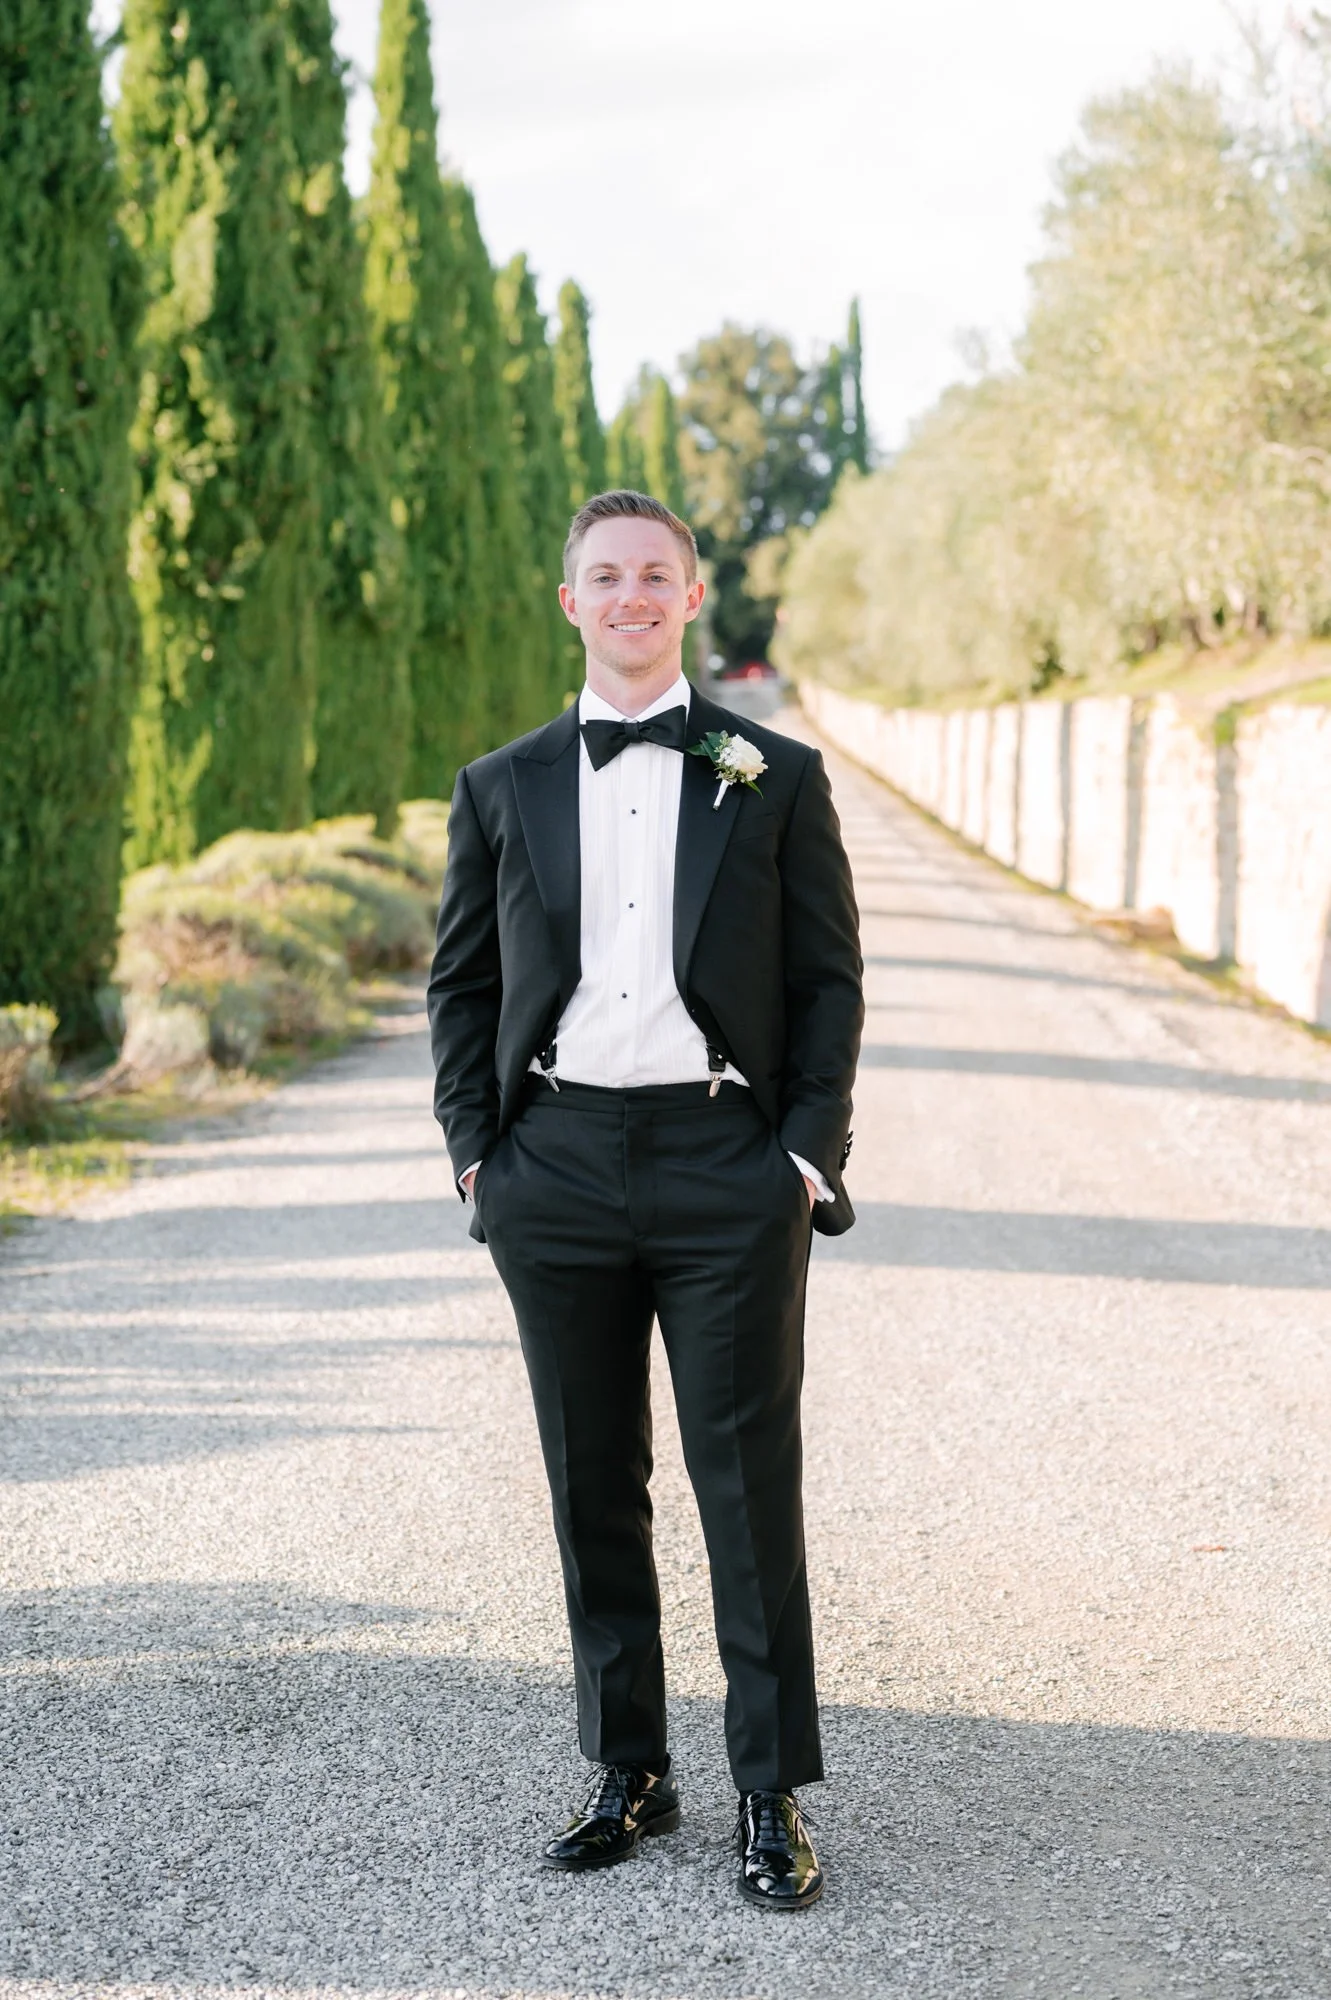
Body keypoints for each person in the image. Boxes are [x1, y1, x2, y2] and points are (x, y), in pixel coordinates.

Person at [427, 489, 863, 1910]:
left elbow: (827, 981)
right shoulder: (500, 785)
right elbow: (462, 986)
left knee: (747, 1487)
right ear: (571, 602)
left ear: (689, 596)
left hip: (725, 1165)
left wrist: (801, 1157)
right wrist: (479, 1158)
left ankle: (768, 1791)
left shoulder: (772, 774)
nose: (630, 596)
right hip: (553, 1167)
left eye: (654, 575)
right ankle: (629, 1769)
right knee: (589, 1482)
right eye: (604, 576)